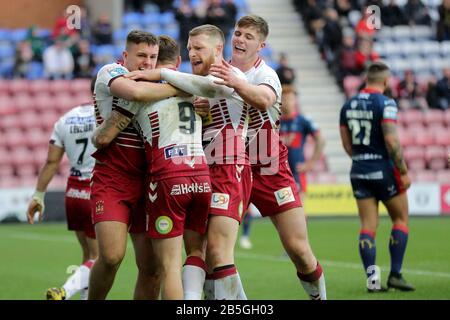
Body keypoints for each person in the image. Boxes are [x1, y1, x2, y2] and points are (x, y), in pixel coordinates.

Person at [205, 14, 327, 300]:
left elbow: (263, 100)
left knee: (298, 249)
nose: (240, 40)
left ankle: (319, 296)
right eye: (237, 33)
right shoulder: (215, 74)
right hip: (228, 167)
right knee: (216, 250)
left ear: (261, 45)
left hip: (268, 167)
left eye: (249, 37)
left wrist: (235, 82)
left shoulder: (266, 74)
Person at [126, 24, 251, 300]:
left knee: (191, 259)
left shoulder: (225, 75)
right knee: (202, 251)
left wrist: (157, 76)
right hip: (202, 173)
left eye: (199, 48)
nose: (194, 53)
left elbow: (226, 91)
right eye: (191, 48)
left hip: (217, 167)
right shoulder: (191, 87)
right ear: (180, 59)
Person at [88, 30, 184, 300]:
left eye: (153, 57)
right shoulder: (111, 71)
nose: (148, 63)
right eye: (141, 55)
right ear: (125, 56)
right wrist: (180, 85)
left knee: (152, 268)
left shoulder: (156, 81)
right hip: (113, 178)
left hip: (150, 180)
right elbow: (134, 92)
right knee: (111, 255)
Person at [339, 61, 415, 292]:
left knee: (368, 227)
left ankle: (373, 282)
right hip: (383, 169)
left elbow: (346, 144)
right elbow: (391, 141)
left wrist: (362, 159)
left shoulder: (348, 104)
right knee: (400, 220)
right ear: (385, 81)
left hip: (359, 170)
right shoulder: (386, 103)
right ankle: (395, 274)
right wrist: (402, 170)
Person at [26, 77, 98, 300]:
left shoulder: (67, 118)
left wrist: (38, 195)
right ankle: (64, 292)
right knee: (99, 258)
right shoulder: (107, 118)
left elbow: (51, 162)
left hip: (73, 193)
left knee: (87, 255)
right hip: (97, 192)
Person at [279, 87, 325, 201]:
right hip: (279, 172)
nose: (287, 102)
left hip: (297, 172)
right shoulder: (275, 122)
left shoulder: (303, 120)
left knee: (299, 207)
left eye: (290, 99)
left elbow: (321, 140)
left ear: (295, 101)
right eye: (284, 99)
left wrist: (311, 163)